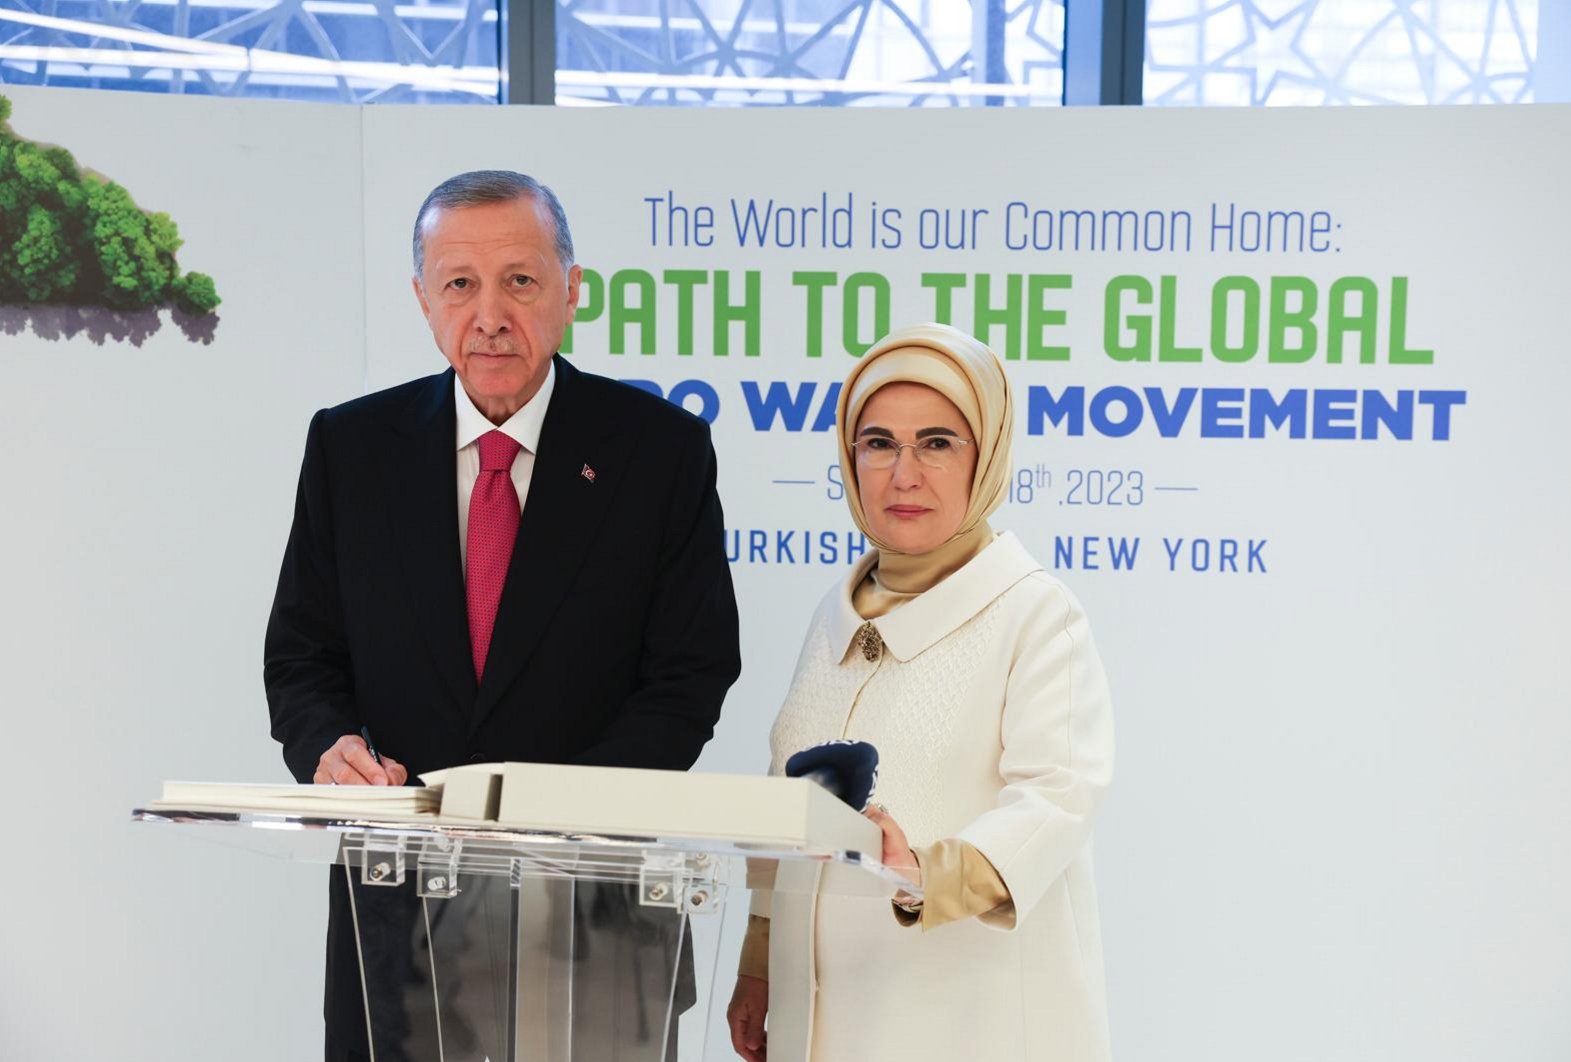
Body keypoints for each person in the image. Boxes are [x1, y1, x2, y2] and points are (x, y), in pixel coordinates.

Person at [264, 170, 741, 1060]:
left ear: (571, 290)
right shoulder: (350, 448)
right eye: (459, 284)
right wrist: (327, 747)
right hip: (396, 921)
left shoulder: (659, 450)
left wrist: (561, 816)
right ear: (422, 300)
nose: (489, 314)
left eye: (520, 280)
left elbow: (691, 673)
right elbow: (301, 658)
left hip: (597, 916)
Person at [726, 323, 1114, 1061]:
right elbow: (790, 797)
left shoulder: (1035, 611)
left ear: (987, 457)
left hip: (971, 1017)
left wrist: (928, 877)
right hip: (829, 1015)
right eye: (878, 443)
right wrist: (757, 964)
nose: (904, 473)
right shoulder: (836, 612)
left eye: (937, 443)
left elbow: (1060, 797)